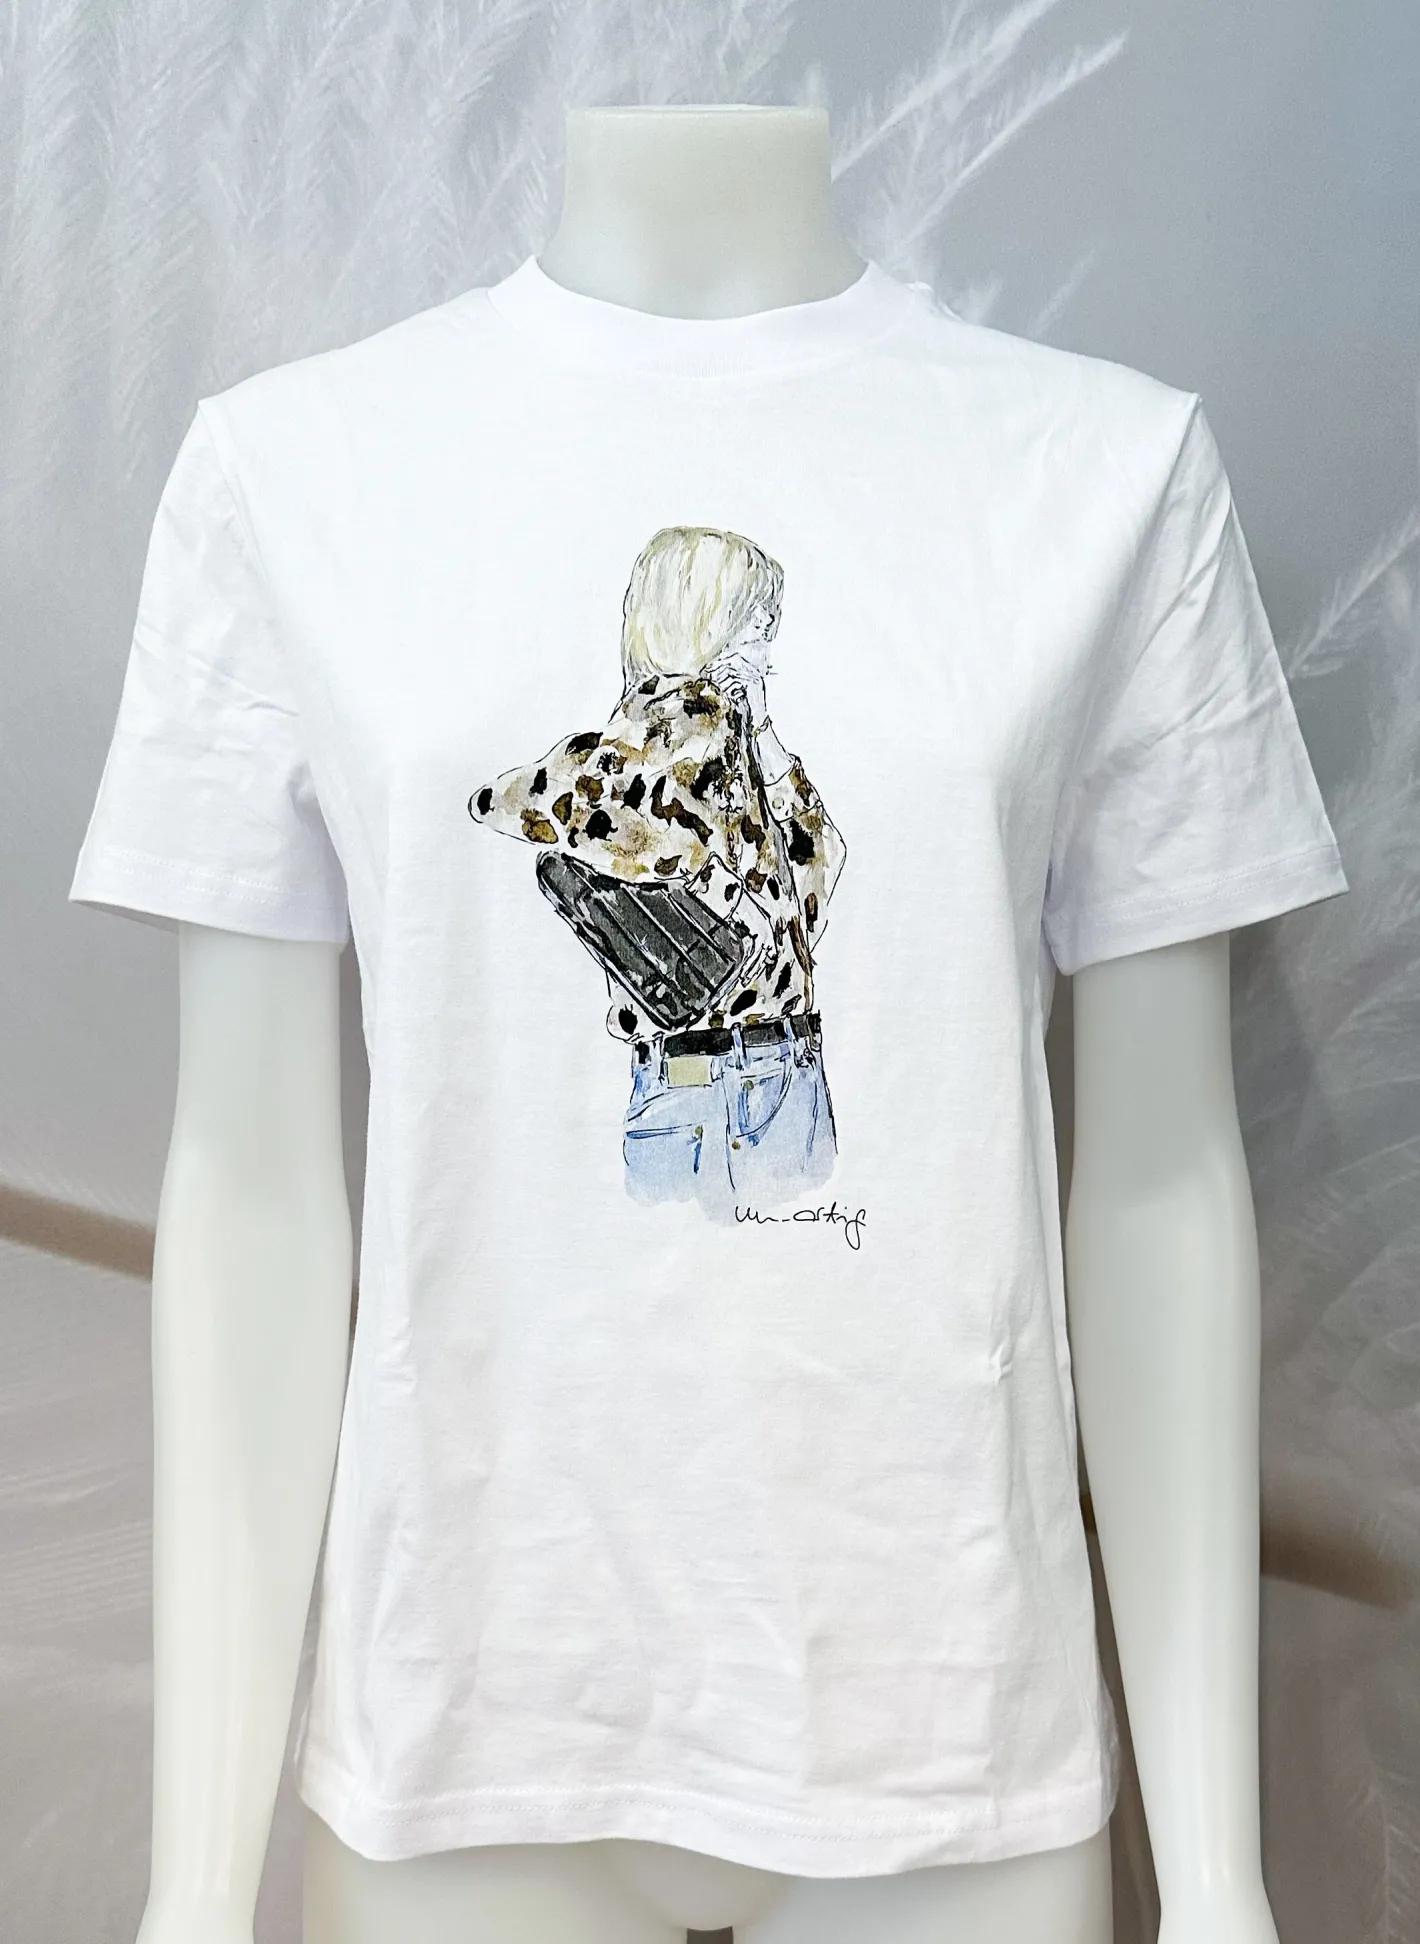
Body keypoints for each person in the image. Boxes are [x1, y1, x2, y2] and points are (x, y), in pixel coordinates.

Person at [468, 524, 846, 1216]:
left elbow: (813, 886)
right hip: (738, 1074)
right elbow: (531, 806)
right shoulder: (685, 731)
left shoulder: (720, 738)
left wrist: (761, 738)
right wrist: (718, 888)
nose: (768, 650)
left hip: (739, 1069)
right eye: (756, 625)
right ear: (710, 620)